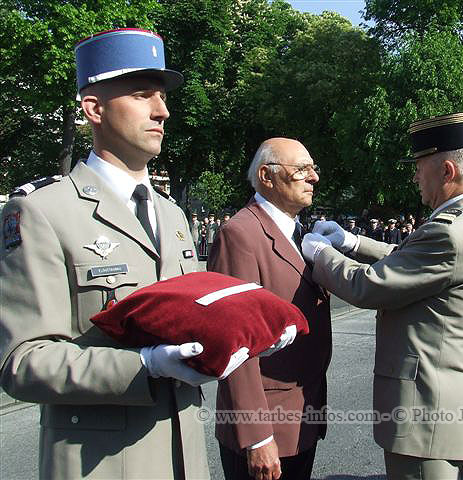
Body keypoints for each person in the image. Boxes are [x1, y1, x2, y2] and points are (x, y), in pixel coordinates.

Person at [0, 29, 214, 478]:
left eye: (162, 96)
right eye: (141, 95)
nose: (162, 111)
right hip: (101, 462)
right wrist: (144, 365)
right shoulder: (42, 211)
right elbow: (22, 361)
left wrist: (234, 337)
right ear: (94, 109)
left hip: (184, 455)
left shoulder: (173, 214)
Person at [302, 111, 463, 480]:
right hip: (449, 409)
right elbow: (412, 261)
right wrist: (353, 242)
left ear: (447, 171)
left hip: (427, 420)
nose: (414, 177)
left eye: (419, 167)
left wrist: (320, 254)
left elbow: (368, 286)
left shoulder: (450, 232)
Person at [207, 138, 331, 480]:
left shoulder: (296, 232)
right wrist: (256, 436)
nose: (314, 177)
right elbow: (236, 343)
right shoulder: (241, 235)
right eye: (302, 169)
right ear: (266, 176)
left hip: (300, 416)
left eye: (313, 168)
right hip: (267, 427)